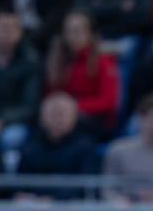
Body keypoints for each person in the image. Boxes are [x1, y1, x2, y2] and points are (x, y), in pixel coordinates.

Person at [44, 8, 120, 138]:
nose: (73, 36)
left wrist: (73, 107)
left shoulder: (102, 59)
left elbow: (109, 101)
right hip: (62, 117)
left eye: (77, 31)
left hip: (94, 120)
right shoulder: (57, 59)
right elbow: (51, 94)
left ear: (89, 32)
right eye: (69, 31)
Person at [16, 92, 100, 200]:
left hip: (70, 206)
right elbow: (20, 183)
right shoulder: (29, 145)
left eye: (63, 114)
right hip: (34, 205)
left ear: (75, 117)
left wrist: (54, 198)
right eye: (54, 114)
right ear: (42, 117)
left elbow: (86, 187)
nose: (58, 119)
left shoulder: (86, 147)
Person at [0, 11, 42, 151]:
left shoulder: (31, 61)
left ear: (20, 32)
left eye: (11, 29)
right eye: (2, 28)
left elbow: (29, 106)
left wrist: (0, 122)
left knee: (12, 138)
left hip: (11, 122)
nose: (6, 34)